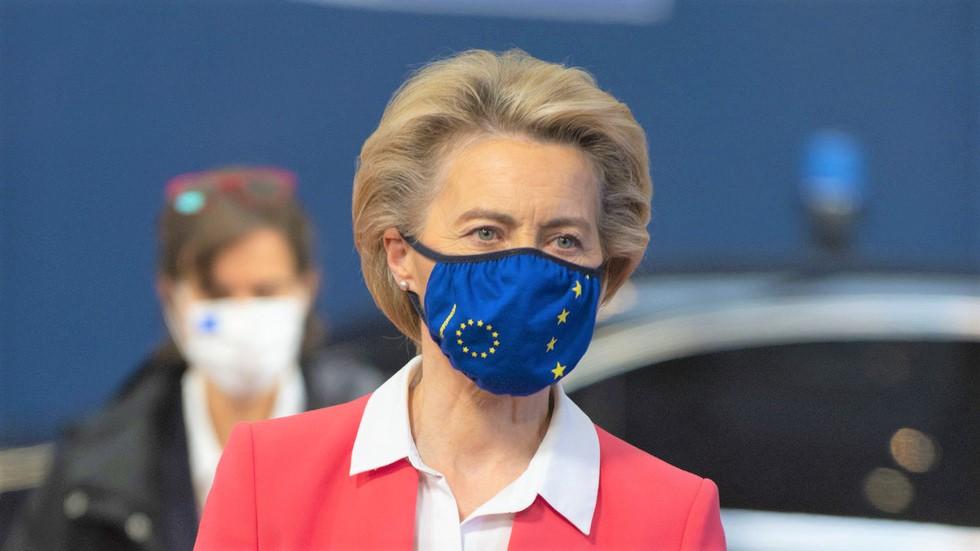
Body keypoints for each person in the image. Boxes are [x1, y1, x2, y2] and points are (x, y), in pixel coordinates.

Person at [195, 50, 726, 549]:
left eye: (564, 240)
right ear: (401, 255)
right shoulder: (269, 476)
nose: (524, 271)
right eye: (486, 233)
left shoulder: (670, 520)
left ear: (605, 268)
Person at [4, 167, 383, 551]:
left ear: (307, 287)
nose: (242, 316)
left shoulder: (381, 433)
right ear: (171, 297)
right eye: (217, 294)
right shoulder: (93, 476)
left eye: (265, 291)